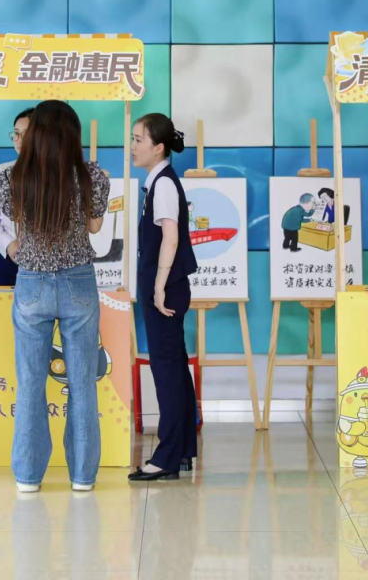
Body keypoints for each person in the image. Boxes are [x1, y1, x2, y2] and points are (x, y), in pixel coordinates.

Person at [0, 100, 110, 493]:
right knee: (82, 383)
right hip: (79, 281)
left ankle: (28, 476)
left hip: (32, 281)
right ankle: (83, 476)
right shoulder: (91, 175)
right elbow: (94, 227)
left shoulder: (12, 176)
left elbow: (19, 224)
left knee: (30, 384)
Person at [128, 114, 199, 482]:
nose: (132, 146)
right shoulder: (157, 182)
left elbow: (170, 238)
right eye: (132, 138)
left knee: (167, 371)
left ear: (158, 147)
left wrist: (158, 286)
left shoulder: (165, 184)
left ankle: (167, 456)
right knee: (174, 367)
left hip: (165, 290)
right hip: (165, 286)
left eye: (138, 140)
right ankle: (183, 448)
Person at [0, 106, 34, 286]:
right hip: (9, 261)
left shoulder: (59, 175)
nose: (19, 140)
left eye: (26, 134)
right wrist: (9, 243)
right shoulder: (2, 172)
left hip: (49, 265)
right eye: (16, 133)